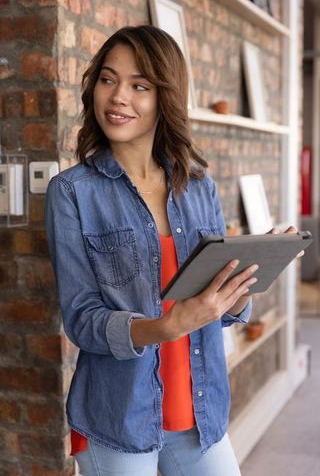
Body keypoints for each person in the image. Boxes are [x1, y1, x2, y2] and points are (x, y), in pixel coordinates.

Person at [45, 25, 288, 476]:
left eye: (139, 86)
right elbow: (82, 319)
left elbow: (225, 307)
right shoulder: (72, 193)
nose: (118, 97)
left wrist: (246, 276)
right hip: (119, 418)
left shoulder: (199, 186)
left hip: (200, 408)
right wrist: (165, 326)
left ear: (165, 99)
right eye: (108, 79)